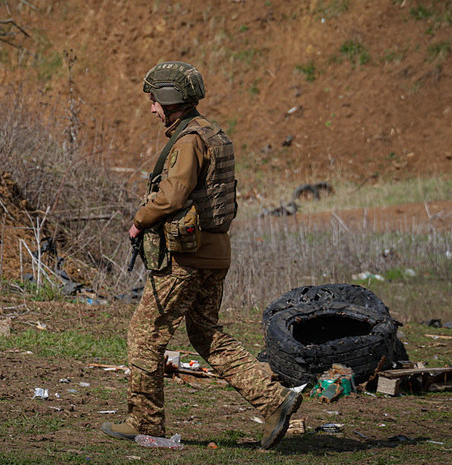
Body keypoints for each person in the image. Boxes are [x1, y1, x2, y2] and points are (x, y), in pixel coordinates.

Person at [101, 61, 301, 450]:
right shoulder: (213, 134)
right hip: (214, 253)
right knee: (206, 333)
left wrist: (139, 221)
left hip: (186, 258)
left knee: (144, 334)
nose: (152, 108)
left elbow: (173, 195)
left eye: (154, 101)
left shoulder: (189, 141)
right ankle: (274, 401)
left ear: (170, 99)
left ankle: (144, 421)